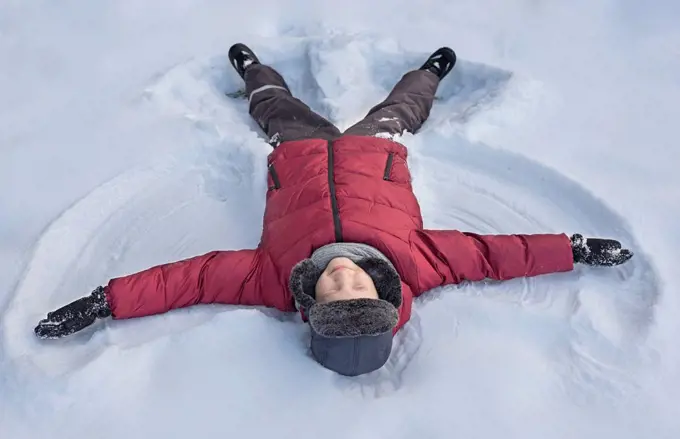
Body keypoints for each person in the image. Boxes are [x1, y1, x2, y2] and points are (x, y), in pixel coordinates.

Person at [34, 44, 633, 376]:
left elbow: (185, 280)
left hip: (297, 154)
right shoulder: (420, 263)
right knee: (403, 107)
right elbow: (499, 254)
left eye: (332, 294)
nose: (343, 277)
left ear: (311, 303)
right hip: (375, 151)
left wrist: (104, 302)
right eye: (359, 294)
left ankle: (252, 70)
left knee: (273, 106)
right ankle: (429, 72)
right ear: (383, 296)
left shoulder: (269, 278)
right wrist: (574, 248)